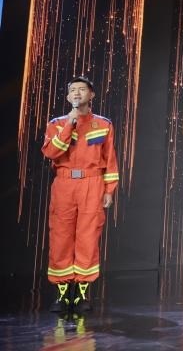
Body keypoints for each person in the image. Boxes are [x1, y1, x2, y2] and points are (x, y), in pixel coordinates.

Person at [41, 75, 119, 313]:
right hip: (64, 184)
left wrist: (109, 190)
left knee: (88, 236)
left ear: (91, 94)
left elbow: (110, 159)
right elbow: (51, 153)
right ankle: (63, 292)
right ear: (68, 97)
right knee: (61, 236)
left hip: (92, 183)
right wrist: (69, 124)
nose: (77, 93)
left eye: (82, 89)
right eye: (73, 89)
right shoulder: (56, 124)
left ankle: (82, 293)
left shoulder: (103, 124)